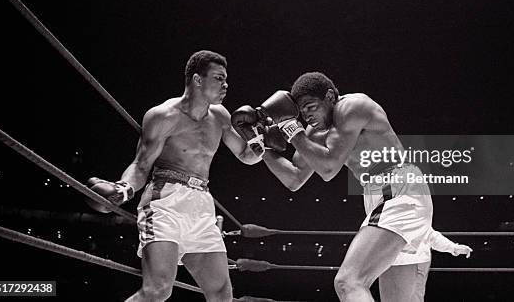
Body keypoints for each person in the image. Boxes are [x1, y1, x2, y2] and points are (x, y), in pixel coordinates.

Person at [233, 72, 437, 301]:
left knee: (349, 283)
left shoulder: (353, 106)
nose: (308, 116)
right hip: (384, 196)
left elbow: (328, 168)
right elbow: (294, 178)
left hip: (399, 191)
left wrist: (291, 129)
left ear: (330, 96)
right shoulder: (314, 131)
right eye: (302, 112)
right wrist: (260, 145)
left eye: (311, 106)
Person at [86, 50, 262, 302]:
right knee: (158, 290)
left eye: (225, 79)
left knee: (222, 295)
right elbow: (142, 164)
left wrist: (260, 141)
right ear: (197, 80)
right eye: (219, 78)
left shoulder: (221, 116)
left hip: (202, 205)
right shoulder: (163, 116)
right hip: (165, 201)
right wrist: (124, 188)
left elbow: (247, 156)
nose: (226, 85)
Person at [383, 228, 472, 301]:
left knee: (416, 294)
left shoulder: (419, 218)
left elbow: (431, 236)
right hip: (400, 263)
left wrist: (453, 247)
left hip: (418, 262)